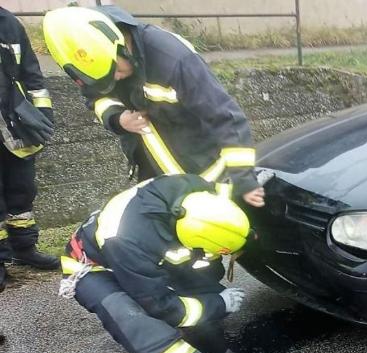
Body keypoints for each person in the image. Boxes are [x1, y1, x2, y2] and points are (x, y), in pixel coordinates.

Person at [59, 174, 251, 353]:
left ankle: (203, 318)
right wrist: (218, 304)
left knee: (204, 280)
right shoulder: (127, 242)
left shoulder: (195, 188)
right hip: (93, 268)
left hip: (143, 247)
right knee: (136, 322)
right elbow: (160, 305)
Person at [42, 5, 265, 209]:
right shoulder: (95, 62)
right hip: (153, 172)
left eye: (117, 72)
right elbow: (97, 98)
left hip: (202, 173)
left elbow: (226, 116)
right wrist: (117, 119)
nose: (116, 80)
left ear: (122, 45)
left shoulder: (173, 59)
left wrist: (244, 180)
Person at [0, 7, 59, 292]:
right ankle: (0, 259)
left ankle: (24, 249)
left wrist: (43, 115)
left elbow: (32, 74)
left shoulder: (9, 23)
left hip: (14, 124)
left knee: (22, 190)